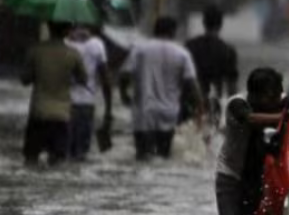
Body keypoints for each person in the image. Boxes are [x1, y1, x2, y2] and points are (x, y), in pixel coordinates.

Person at [215, 67, 284, 215]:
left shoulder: (279, 101)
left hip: (257, 177)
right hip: (231, 177)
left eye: (277, 95)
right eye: (270, 96)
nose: (275, 100)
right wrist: (286, 117)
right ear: (254, 94)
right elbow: (250, 119)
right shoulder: (237, 104)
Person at [119, 16, 206, 161]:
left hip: (143, 112)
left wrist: (124, 95)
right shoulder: (182, 53)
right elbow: (192, 84)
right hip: (168, 113)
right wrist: (200, 110)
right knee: (163, 157)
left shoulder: (140, 50)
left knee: (142, 157)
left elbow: (124, 75)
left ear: (155, 30)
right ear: (173, 31)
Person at [21, 21, 87, 166]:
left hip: (38, 113)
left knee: (30, 160)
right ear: (67, 31)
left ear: (49, 28)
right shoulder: (73, 54)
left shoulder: (35, 50)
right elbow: (84, 79)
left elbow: (24, 80)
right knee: (58, 162)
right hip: (61, 115)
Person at [65, 24, 113, 161]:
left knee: (62, 152)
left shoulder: (64, 43)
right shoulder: (97, 45)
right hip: (86, 104)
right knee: (81, 153)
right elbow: (106, 80)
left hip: (63, 103)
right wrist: (108, 111)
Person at [185, 5, 239, 115]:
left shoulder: (191, 46)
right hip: (213, 105)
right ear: (221, 24)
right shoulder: (227, 50)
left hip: (191, 103)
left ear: (204, 23)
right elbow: (231, 87)